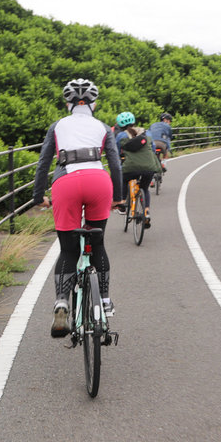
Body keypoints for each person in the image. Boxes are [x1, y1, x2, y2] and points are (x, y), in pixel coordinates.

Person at [32, 78, 123, 337]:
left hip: (66, 183)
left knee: (68, 250)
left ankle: (62, 301)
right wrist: (117, 197)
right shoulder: (104, 126)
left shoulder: (57, 126)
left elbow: (43, 163)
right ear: (94, 103)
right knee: (99, 243)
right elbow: (115, 165)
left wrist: (38, 196)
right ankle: (104, 300)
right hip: (98, 182)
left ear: (67, 103)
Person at [115, 111, 162, 228]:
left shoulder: (121, 136)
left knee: (124, 179)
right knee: (144, 188)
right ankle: (146, 212)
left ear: (120, 126)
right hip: (149, 167)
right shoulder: (147, 133)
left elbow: (116, 151)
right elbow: (153, 148)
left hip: (130, 167)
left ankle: (122, 204)